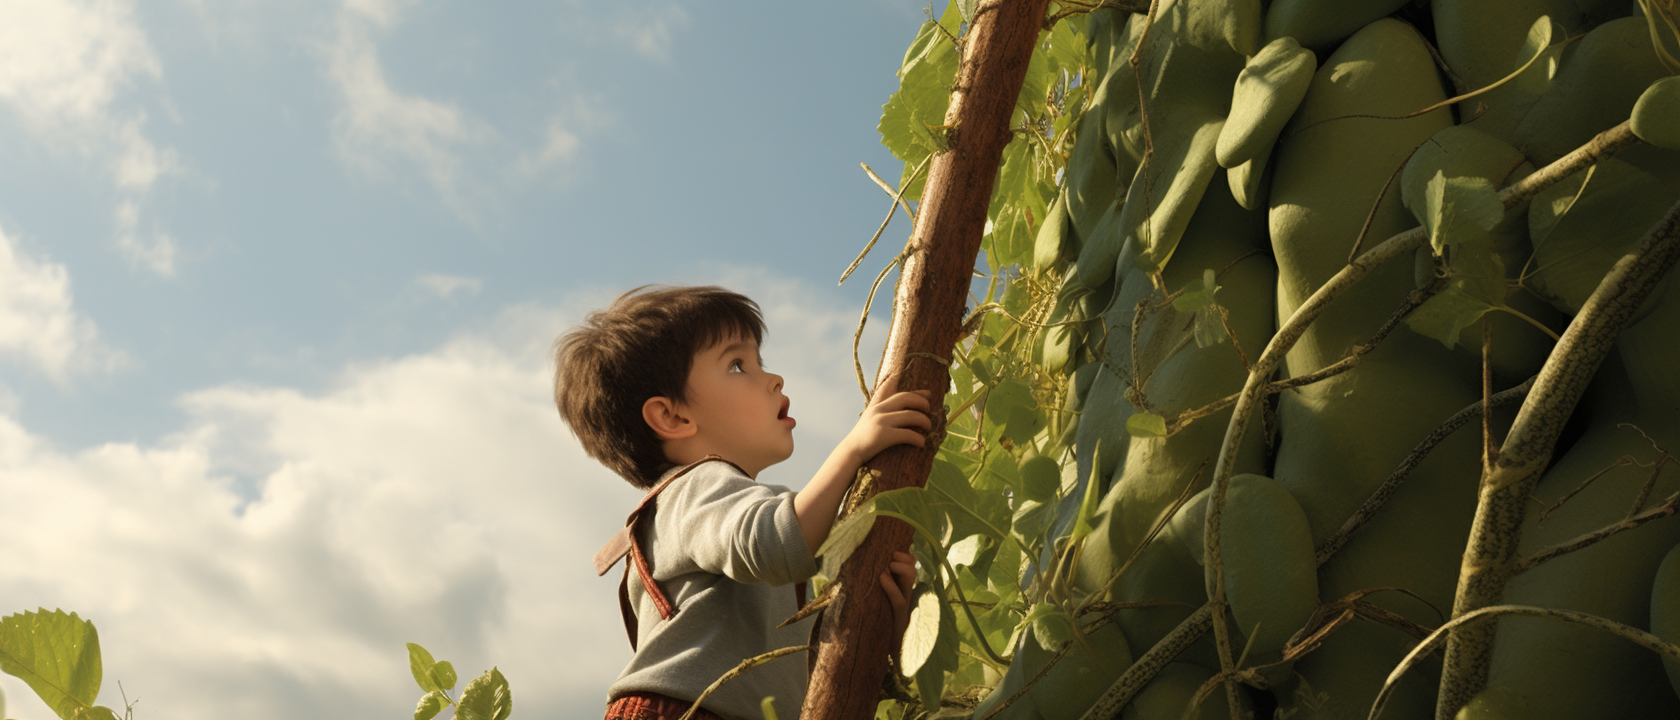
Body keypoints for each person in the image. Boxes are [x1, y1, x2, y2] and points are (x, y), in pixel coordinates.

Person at [553, 285, 934, 720]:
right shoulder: (695, 487)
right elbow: (776, 542)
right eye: (737, 365)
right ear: (672, 417)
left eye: (760, 361)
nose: (774, 379)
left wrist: (887, 624)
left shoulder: (723, 507)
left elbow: (818, 670)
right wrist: (853, 449)